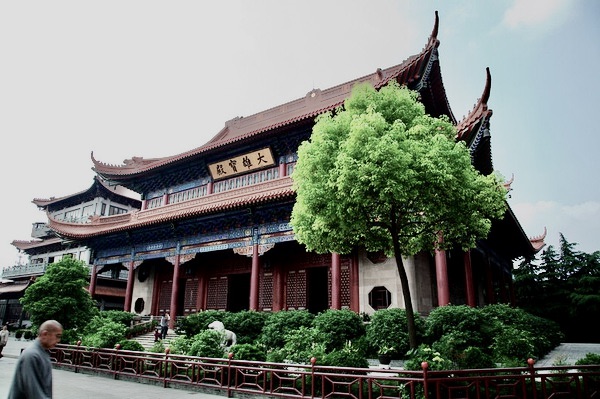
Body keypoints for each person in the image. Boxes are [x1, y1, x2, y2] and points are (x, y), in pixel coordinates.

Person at [7, 319, 63, 399]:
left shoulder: (41, 353)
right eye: (57, 336)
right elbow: (34, 392)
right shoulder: (31, 355)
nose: (58, 340)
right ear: (45, 334)